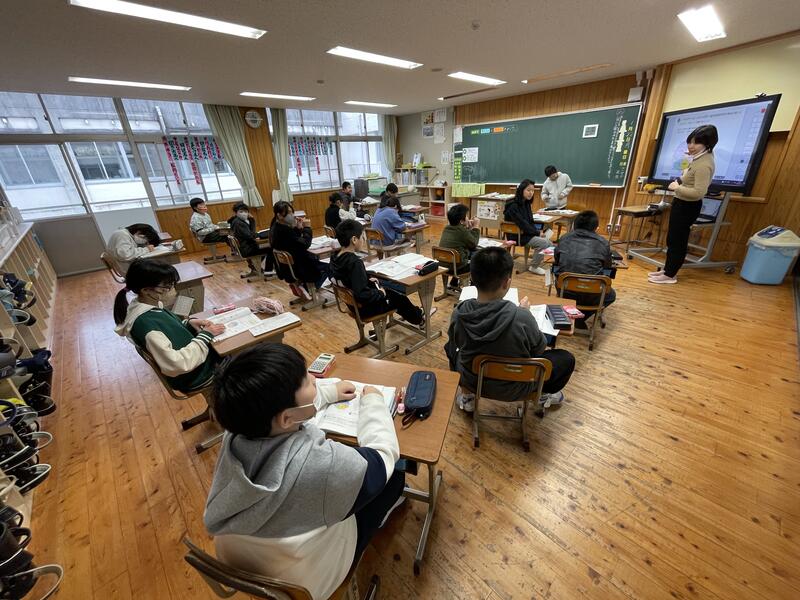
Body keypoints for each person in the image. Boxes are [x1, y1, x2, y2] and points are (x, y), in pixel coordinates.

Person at [204, 343, 405, 600]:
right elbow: (382, 454)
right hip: (306, 581)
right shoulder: (323, 465)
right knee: (395, 475)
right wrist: (374, 402)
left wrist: (328, 393)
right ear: (287, 418)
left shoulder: (237, 430)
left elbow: (284, 414)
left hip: (242, 561)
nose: (314, 378)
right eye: (307, 381)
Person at [445, 247, 575, 412]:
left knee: (450, 346)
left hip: (473, 381)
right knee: (565, 359)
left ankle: (467, 396)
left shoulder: (459, 313)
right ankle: (542, 394)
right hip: (517, 387)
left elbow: (456, 342)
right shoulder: (522, 317)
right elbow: (539, 349)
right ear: (507, 282)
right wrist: (526, 313)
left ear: (472, 278)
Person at [113, 258, 225, 391]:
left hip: (196, 364)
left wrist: (188, 324)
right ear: (146, 290)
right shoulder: (146, 324)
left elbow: (168, 331)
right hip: (195, 375)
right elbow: (176, 364)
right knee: (239, 354)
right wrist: (205, 335)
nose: (173, 290)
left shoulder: (147, 305)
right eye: (167, 286)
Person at [650, 124, 718, 285]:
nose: (691, 146)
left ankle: (670, 275)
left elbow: (699, 193)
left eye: (696, 143)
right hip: (681, 203)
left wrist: (677, 187)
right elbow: (688, 177)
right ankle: (667, 270)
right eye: (690, 141)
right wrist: (688, 162)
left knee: (678, 241)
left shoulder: (704, 164)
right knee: (672, 239)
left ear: (707, 144)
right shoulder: (699, 157)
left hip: (688, 206)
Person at [332, 220, 429, 328]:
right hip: (365, 308)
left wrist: (366, 279)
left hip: (352, 305)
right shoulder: (354, 262)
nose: (364, 240)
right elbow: (362, 294)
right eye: (362, 237)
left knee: (389, 290)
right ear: (354, 240)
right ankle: (419, 319)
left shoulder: (335, 258)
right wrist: (380, 293)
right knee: (399, 298)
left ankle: (416, 313)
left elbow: (348, 279)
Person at [554, 210, 616, 328]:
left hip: (565, 291)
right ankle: (581, 316)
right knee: (611, 295)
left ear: (574, 225)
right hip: (592, 294)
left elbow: (557, 261)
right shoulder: (603, 243)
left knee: (558, 276)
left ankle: (574, 313)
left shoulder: (564, 238)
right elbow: (607, 267)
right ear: (596, 227)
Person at [270, 200, 329, 299]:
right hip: (299, 267)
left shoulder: (275, 227)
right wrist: (307, 228)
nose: (292, 215)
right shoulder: (284, 230)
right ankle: (307, 289)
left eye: (292, 212)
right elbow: (305, 244)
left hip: (287, 268)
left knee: (315, 259)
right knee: (328, 267)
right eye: (289, 213)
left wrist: (297, 228)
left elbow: (293, 242)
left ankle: (301, 287)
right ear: (279, 215)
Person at [503, 179, 554, 275]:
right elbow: (523, 224)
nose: (531, 193)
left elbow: (529, 222)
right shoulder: (513, 206)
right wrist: (537, 233)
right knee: (544, 243)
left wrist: (538, 231)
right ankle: (534, 267)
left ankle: (540, 261)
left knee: (550, 242)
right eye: (528, 190)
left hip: (526, 233)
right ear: (521, 190)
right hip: (518, 235)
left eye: (533, 191)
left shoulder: (526, 203)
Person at [438, 204, 480, 288]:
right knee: (479, 257)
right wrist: (476, 227)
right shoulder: (461, 231)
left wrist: (468, 228)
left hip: (443, 265)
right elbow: (473, 243)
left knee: (464, 254)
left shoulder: (447, 228)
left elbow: (462, 240)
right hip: (457, 268)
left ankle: (453, 283)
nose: (468, 218)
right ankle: (473, 288)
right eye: (466, 216)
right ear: (461, 221)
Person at [229, 202, 272, 278]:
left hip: (245, 247)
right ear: (236, 213)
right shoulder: (238, 223)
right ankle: (268, 271)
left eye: (246, 211)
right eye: (241, 211)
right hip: (247, 249)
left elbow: (251, 233)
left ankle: (255, 268)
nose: (244, 213)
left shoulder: (237, 221)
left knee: (266, 246)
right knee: (271, 249)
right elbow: (250, 236)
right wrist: (259, 234)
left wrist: (252, 220)